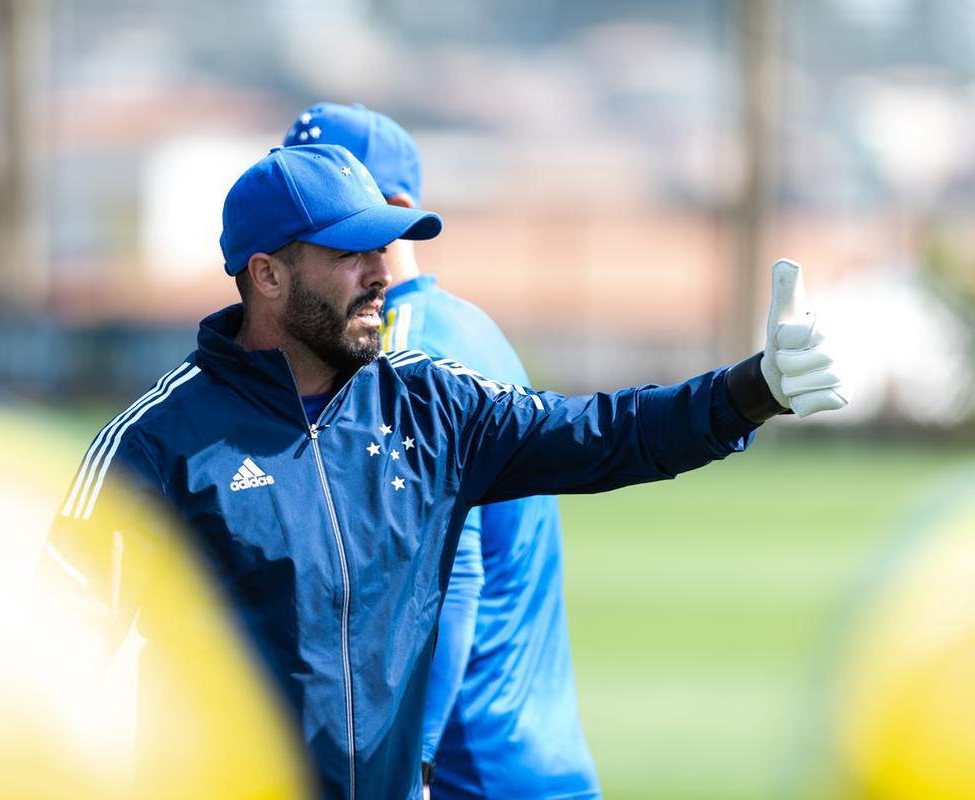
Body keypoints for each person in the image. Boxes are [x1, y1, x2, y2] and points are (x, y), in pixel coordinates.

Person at [47, 141, 845, 800]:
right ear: (266, 274)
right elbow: (40, 649)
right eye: (347, 252)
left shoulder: (430, 403)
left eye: (381, 248)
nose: (380, 272)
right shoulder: (155, 444)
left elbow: (608, 433)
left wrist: (752, 391)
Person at [283, 102, 598, 799]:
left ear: (393, 210)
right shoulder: (459, 328)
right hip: (517, 756)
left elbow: (451, 575)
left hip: (466, 767)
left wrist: (412, 767)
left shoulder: (406, 353)